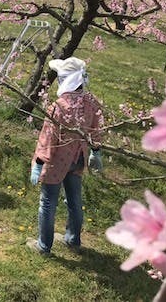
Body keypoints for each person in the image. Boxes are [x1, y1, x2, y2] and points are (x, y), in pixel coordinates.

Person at [26, 57, 104, 256]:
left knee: (48, 202)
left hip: (56, 161)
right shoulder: (92, 102)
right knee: (74, 200)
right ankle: (73, 238)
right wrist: (96, 151)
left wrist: (38, 162)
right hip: (78, 158)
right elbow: (97, 129)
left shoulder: (59, 106)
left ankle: (43, 246)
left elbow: (48, 138)